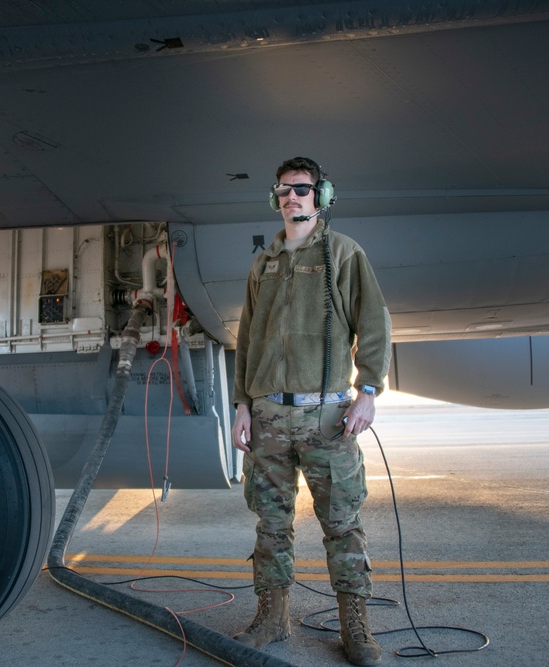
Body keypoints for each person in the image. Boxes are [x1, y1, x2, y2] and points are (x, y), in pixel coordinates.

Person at [231, 157, 392, 665]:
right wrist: (242, 404)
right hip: (269, 417)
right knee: (270, 525)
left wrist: (367, 390)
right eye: (283, 190)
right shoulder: (265, 262)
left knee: (341, 523)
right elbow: (248, 338)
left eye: (301, 189)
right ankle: (271, 621)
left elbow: (373, 322)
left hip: (327, 416)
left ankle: (356, 630)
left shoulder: (343, 253)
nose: (291, 198)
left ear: (320, 195)